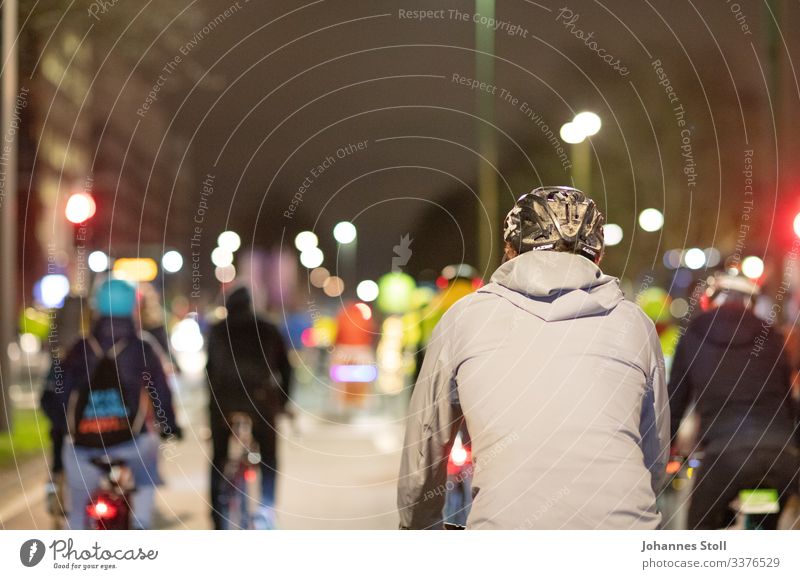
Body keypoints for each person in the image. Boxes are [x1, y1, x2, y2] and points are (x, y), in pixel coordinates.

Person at [398, 186, 670, 529]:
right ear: (597, 257)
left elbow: (424, 450)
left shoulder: (463, 317)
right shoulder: (635, 324)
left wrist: (419, 528)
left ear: (510, 250)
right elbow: (654, 454)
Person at [43, 278, 181, 530]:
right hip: (132, 443)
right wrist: (170, 426)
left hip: (84, 448)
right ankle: (140, 525)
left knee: (77, 513)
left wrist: (64, 428)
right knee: (146, 469)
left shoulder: (79, 349)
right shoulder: (143, 348)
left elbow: (56, 396)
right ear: (132, 309)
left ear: (96, 309)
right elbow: (161, 394)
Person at [669, 271, 799, 529]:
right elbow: (788, 401)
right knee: (765, 532)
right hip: (779, 457)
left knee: (697, 540)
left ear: (713, 299)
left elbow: (675, 402)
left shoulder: (694, 333)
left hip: (723, 457)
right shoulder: (771, 335)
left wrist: (666, 450)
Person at [206, 286, 292, 530]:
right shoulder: (268, 328)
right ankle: (266, 508)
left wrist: (212, 405)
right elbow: (286, 369)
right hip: (261, 402)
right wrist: (284, 403)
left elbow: (210, 370)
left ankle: (216, 517)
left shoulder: (217, 329)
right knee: (269, 456)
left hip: (224, 403)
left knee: (219, 458)